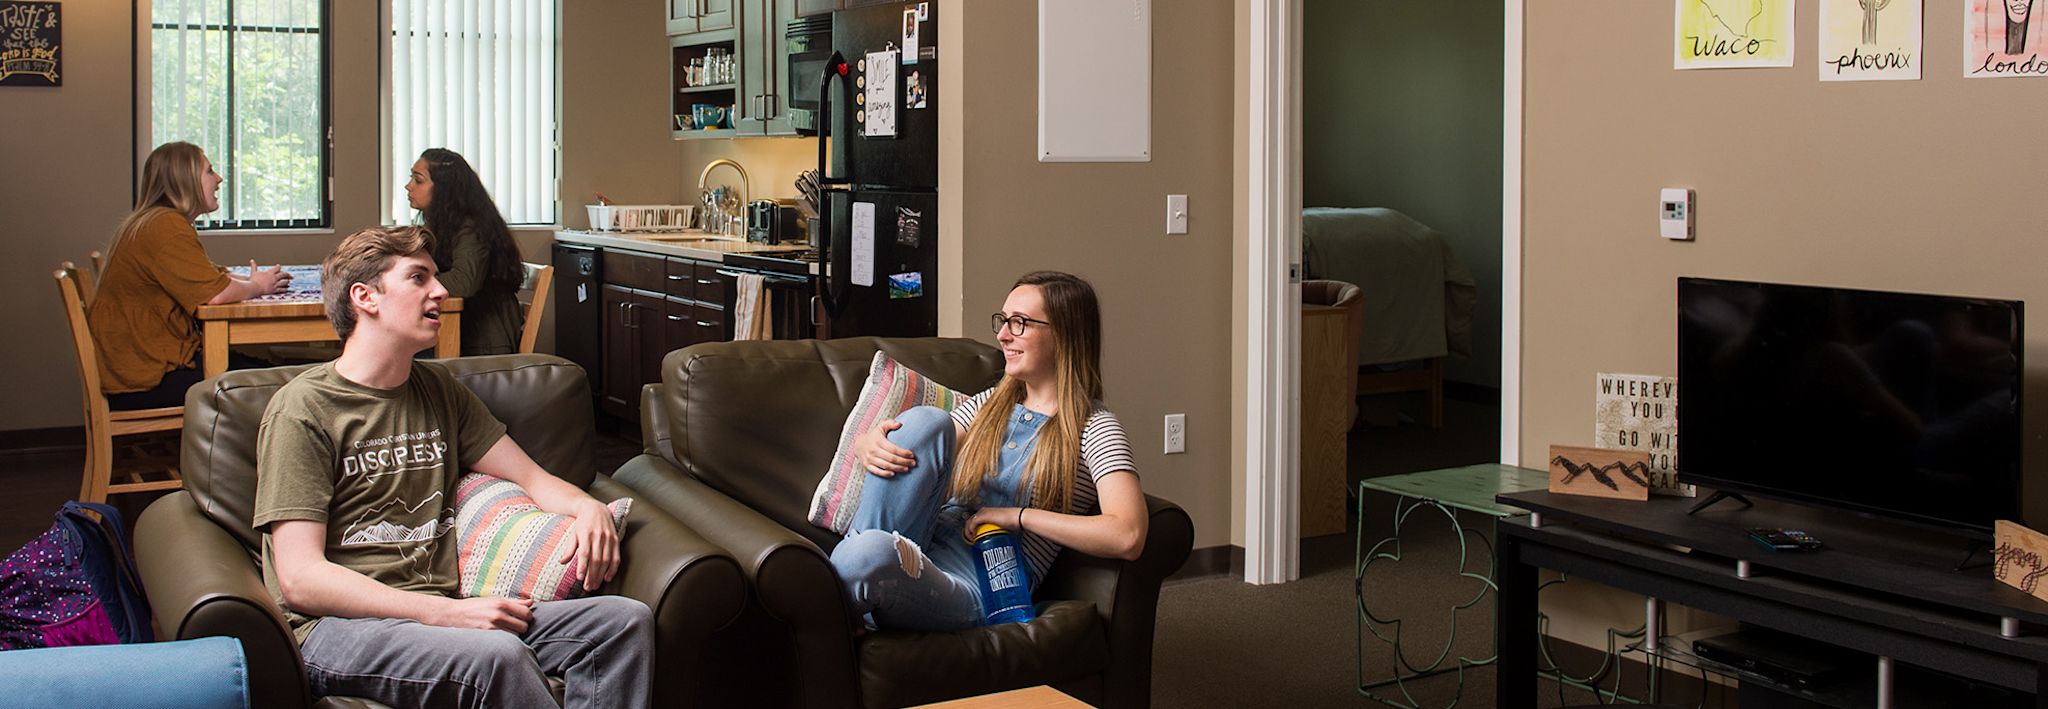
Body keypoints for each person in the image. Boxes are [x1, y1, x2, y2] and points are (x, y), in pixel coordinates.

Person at [254, 226, 652, 707]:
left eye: (436, 278)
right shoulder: (303, 409)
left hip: (445, 611)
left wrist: (588, 508)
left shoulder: (439, 391)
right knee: (497, 655)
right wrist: (440, 616)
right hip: (338, 630)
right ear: (365, 297)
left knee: (622, 623)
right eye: (418, 278)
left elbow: (532, 479)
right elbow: (300, 578)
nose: (441, 291)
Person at [832, 271, 1146, 631]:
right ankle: (853, 592)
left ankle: (843, 591)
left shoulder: (1095, 428)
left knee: (870, 553)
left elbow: (1128, 535)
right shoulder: (991, 404)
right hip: (923, 541)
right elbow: (920, 445)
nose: (1002, 335)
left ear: (1063, 335)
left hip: (983, 579)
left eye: (1020, 323)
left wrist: (1017, 516)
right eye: (1004, 321)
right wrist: (865, 443)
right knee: (925, 422)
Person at [90, 141, 292, 410]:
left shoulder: (152, 221)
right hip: (150, 379)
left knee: (268, 371)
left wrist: (246, 282)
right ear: (183, 180)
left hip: (137, 369)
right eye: (209, 171)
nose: (219, 178)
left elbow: (205, 277)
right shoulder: (165, 227)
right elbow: (215, 295)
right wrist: (257, 285)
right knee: (286, 382)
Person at [406, 148, 527, 356]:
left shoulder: (471, 227)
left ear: (444, 189)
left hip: (482, 338)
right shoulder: (440, 224)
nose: (408, 186)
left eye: (418, 180)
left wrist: (413, 285)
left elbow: (464, 282)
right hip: (460, 328)